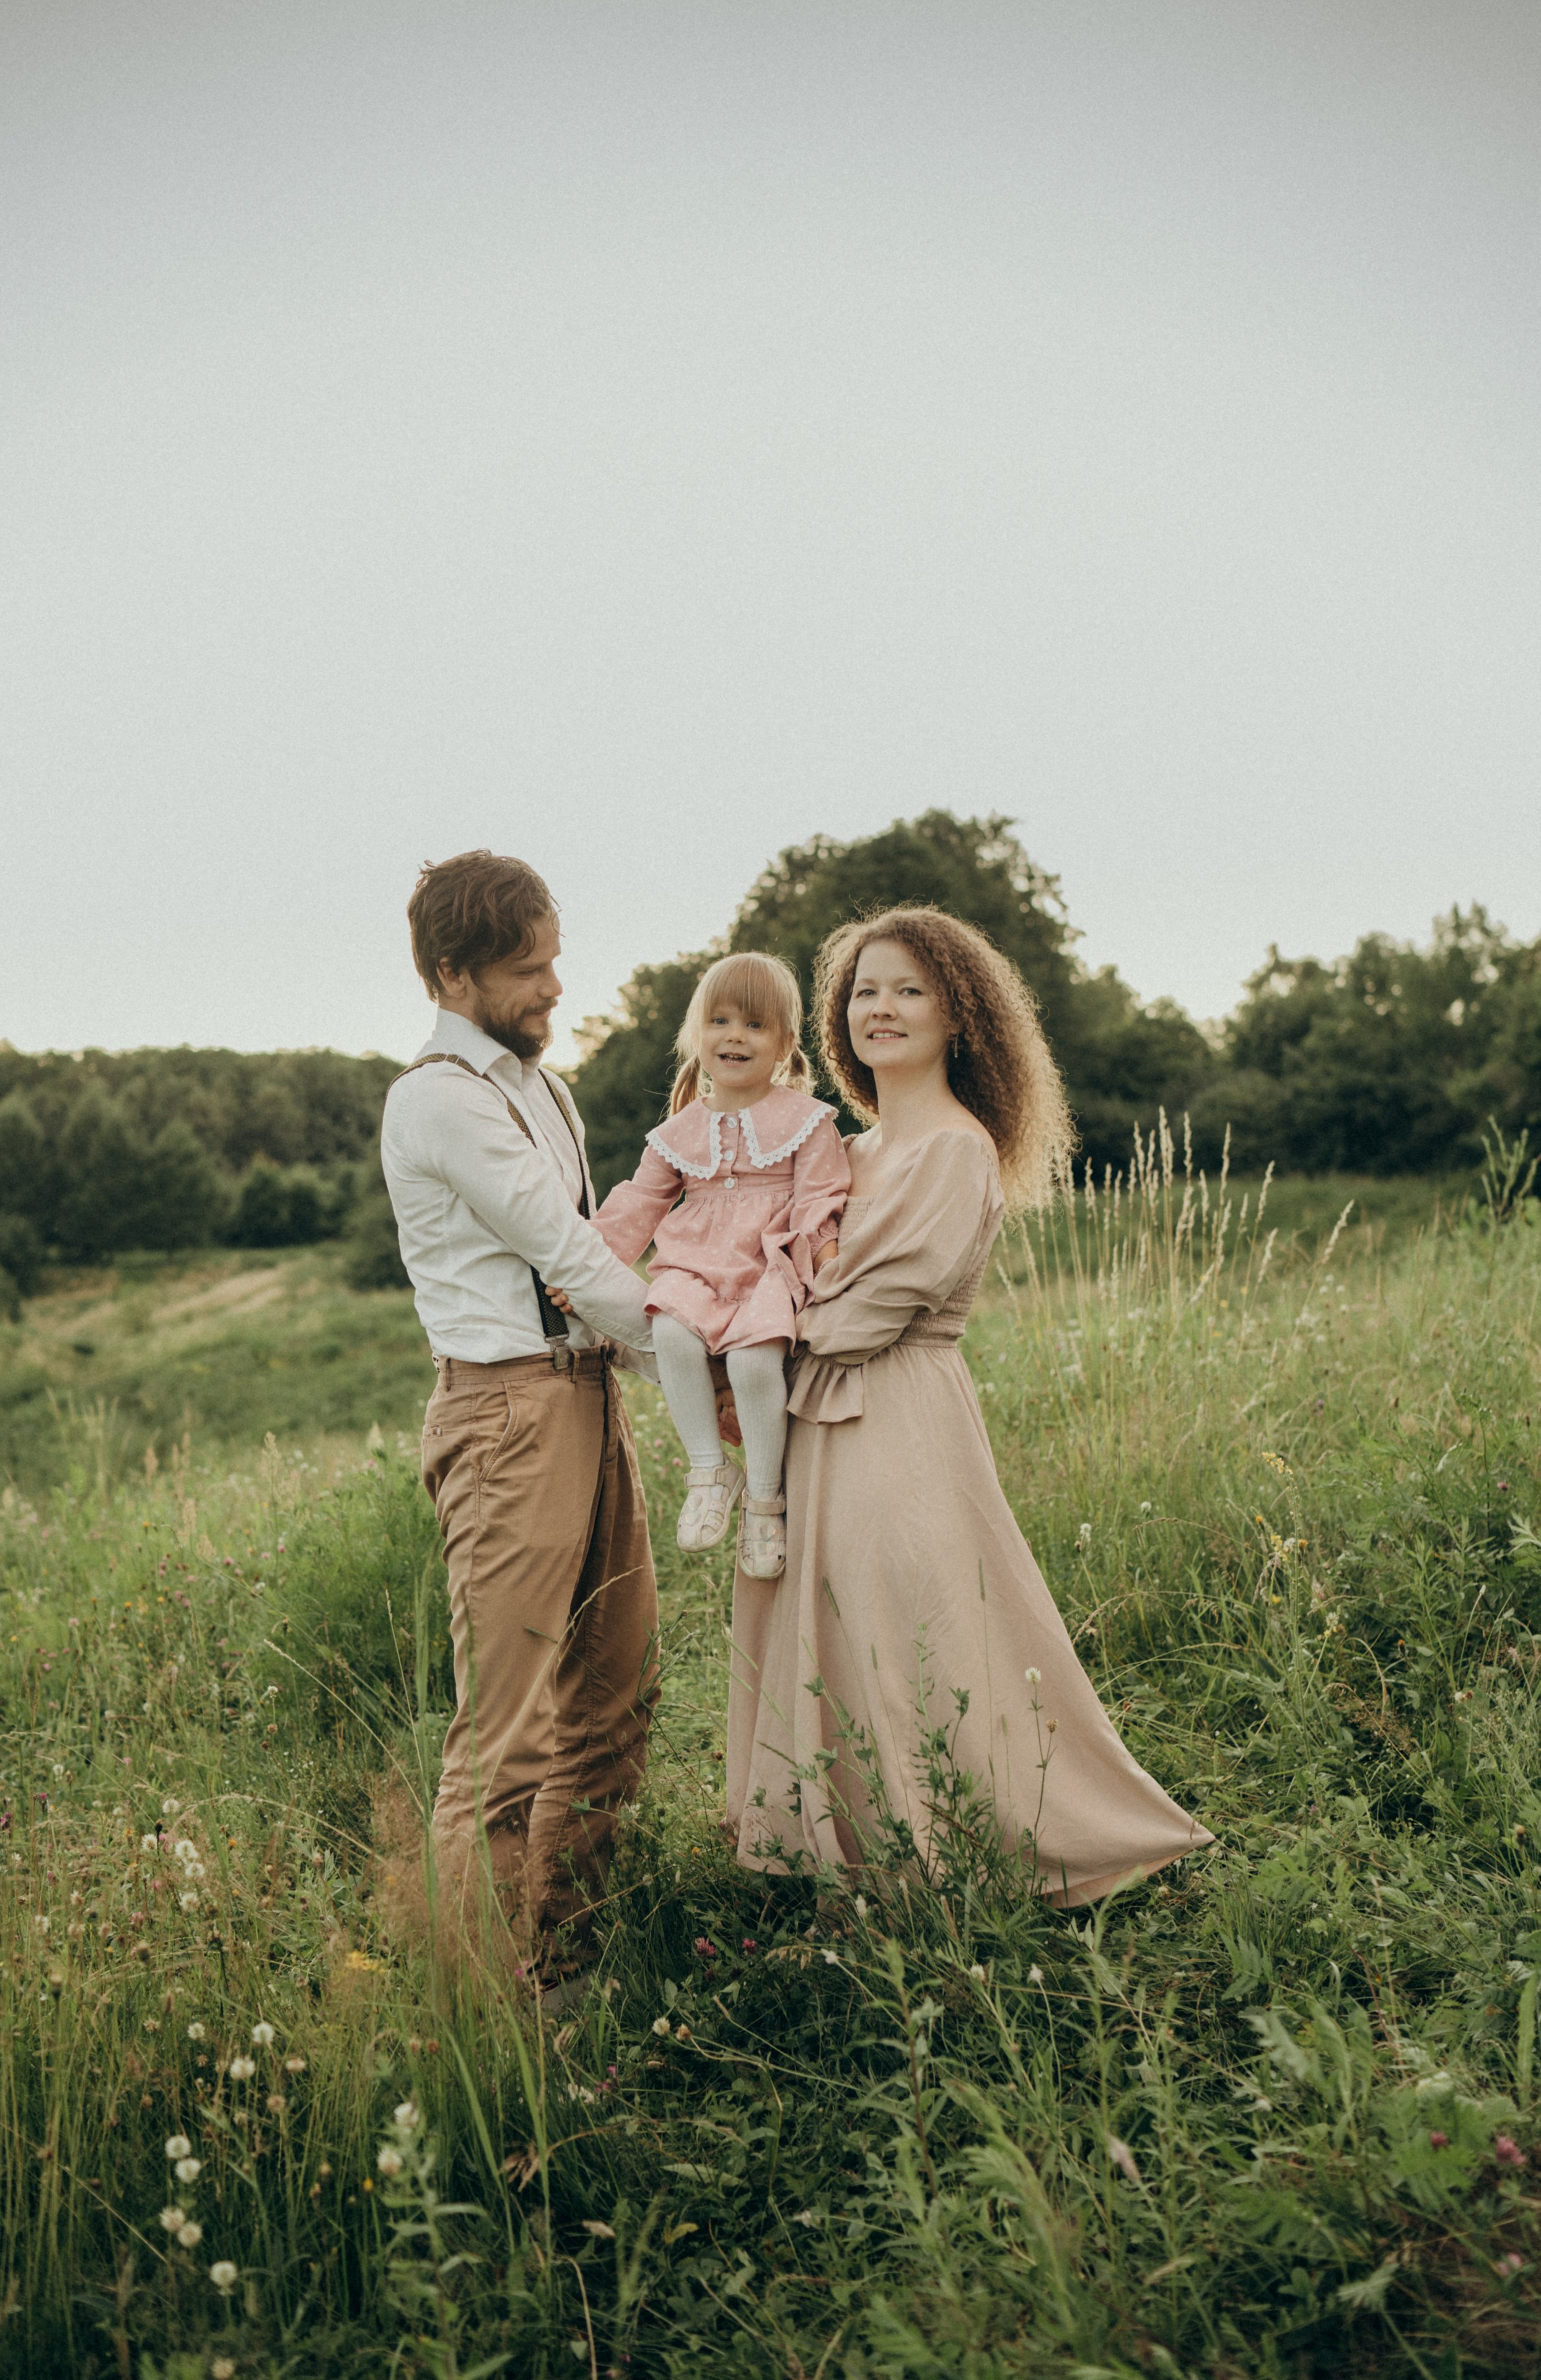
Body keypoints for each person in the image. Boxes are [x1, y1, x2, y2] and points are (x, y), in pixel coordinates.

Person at [726, 907, 1214, 1905]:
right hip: (814, 1418)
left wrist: (749, 1334)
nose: (882, 1008)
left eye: (910, 990)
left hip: (895, 1416)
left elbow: (870, 1312)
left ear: (959, 1017)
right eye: (865, 990)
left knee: (900, 1625)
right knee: (823, 1623)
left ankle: (940, 1855)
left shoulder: (954, 1148)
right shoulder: (846, 1150)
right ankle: (843, 1852)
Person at [380, 849, 660, 1995]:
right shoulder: (438, 1099)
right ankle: (480, 2009)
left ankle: (565, 1964)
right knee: (507, 1741)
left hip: (587, 1394)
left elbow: (591, 1268)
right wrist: (712, 1375)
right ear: (455, 973)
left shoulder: (546, 1088)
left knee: (614, 1696)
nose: (554, 987)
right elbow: (573, 1256)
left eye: (553, 960)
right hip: (505, 1415)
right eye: (526, 969)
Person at [589, 952, 848, 1581]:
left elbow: (819, 1201)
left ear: (785, 1043)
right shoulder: (678, 1131)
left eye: (755, 1025)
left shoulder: (807, 1122)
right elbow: (639, 1202)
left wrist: (829, 1269)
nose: (736, 1036)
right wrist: (586, 1270)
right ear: (696, 1033)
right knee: (671, 1330)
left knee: (754, 1362)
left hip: (767, 1267)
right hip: (697, 1267)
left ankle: (764, 1499)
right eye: (721, 1021)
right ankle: (708, 1471)